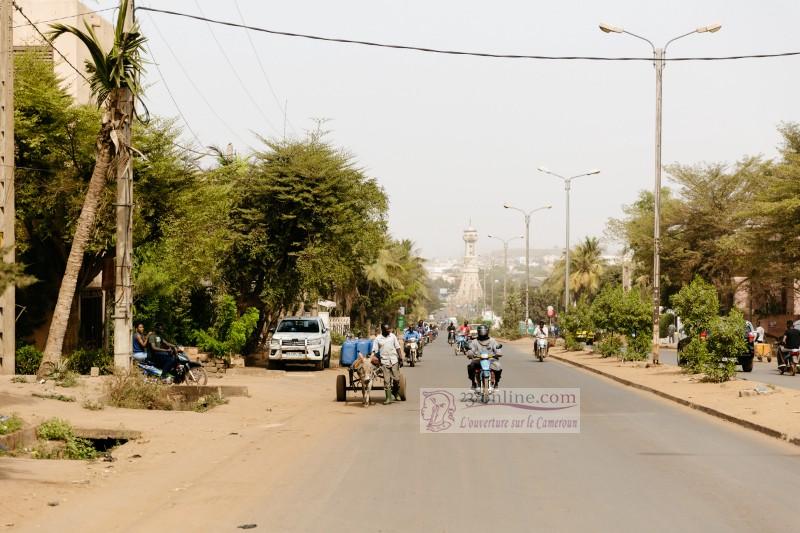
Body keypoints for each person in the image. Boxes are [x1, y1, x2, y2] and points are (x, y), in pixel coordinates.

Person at [372, 323, 402, 404]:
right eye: (387, 329)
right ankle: (388, 398)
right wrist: (374, 358)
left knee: (396, 379)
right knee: (386, 381)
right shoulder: (378, 339)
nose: (389, 330)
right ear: (383, 330)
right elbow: (374, 350)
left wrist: (401, 358)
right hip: (384, 361)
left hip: (394, 360)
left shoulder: (392, 336)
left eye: (389, 329)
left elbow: (398, 347)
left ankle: (395, 392)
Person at [466, 324, 503, 390]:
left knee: (498, 366)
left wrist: (498, 352)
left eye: (484, 331)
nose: (482, 333)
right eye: (481, 331)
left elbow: (497, 348)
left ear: (487, 331)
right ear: (478, 332)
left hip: (491, 359)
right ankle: (473, 383)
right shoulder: (475, 341)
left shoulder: (492, 341)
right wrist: (470, 353)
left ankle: (496, 382)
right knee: (471, 367)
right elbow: (471, 349)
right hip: (478, 360)